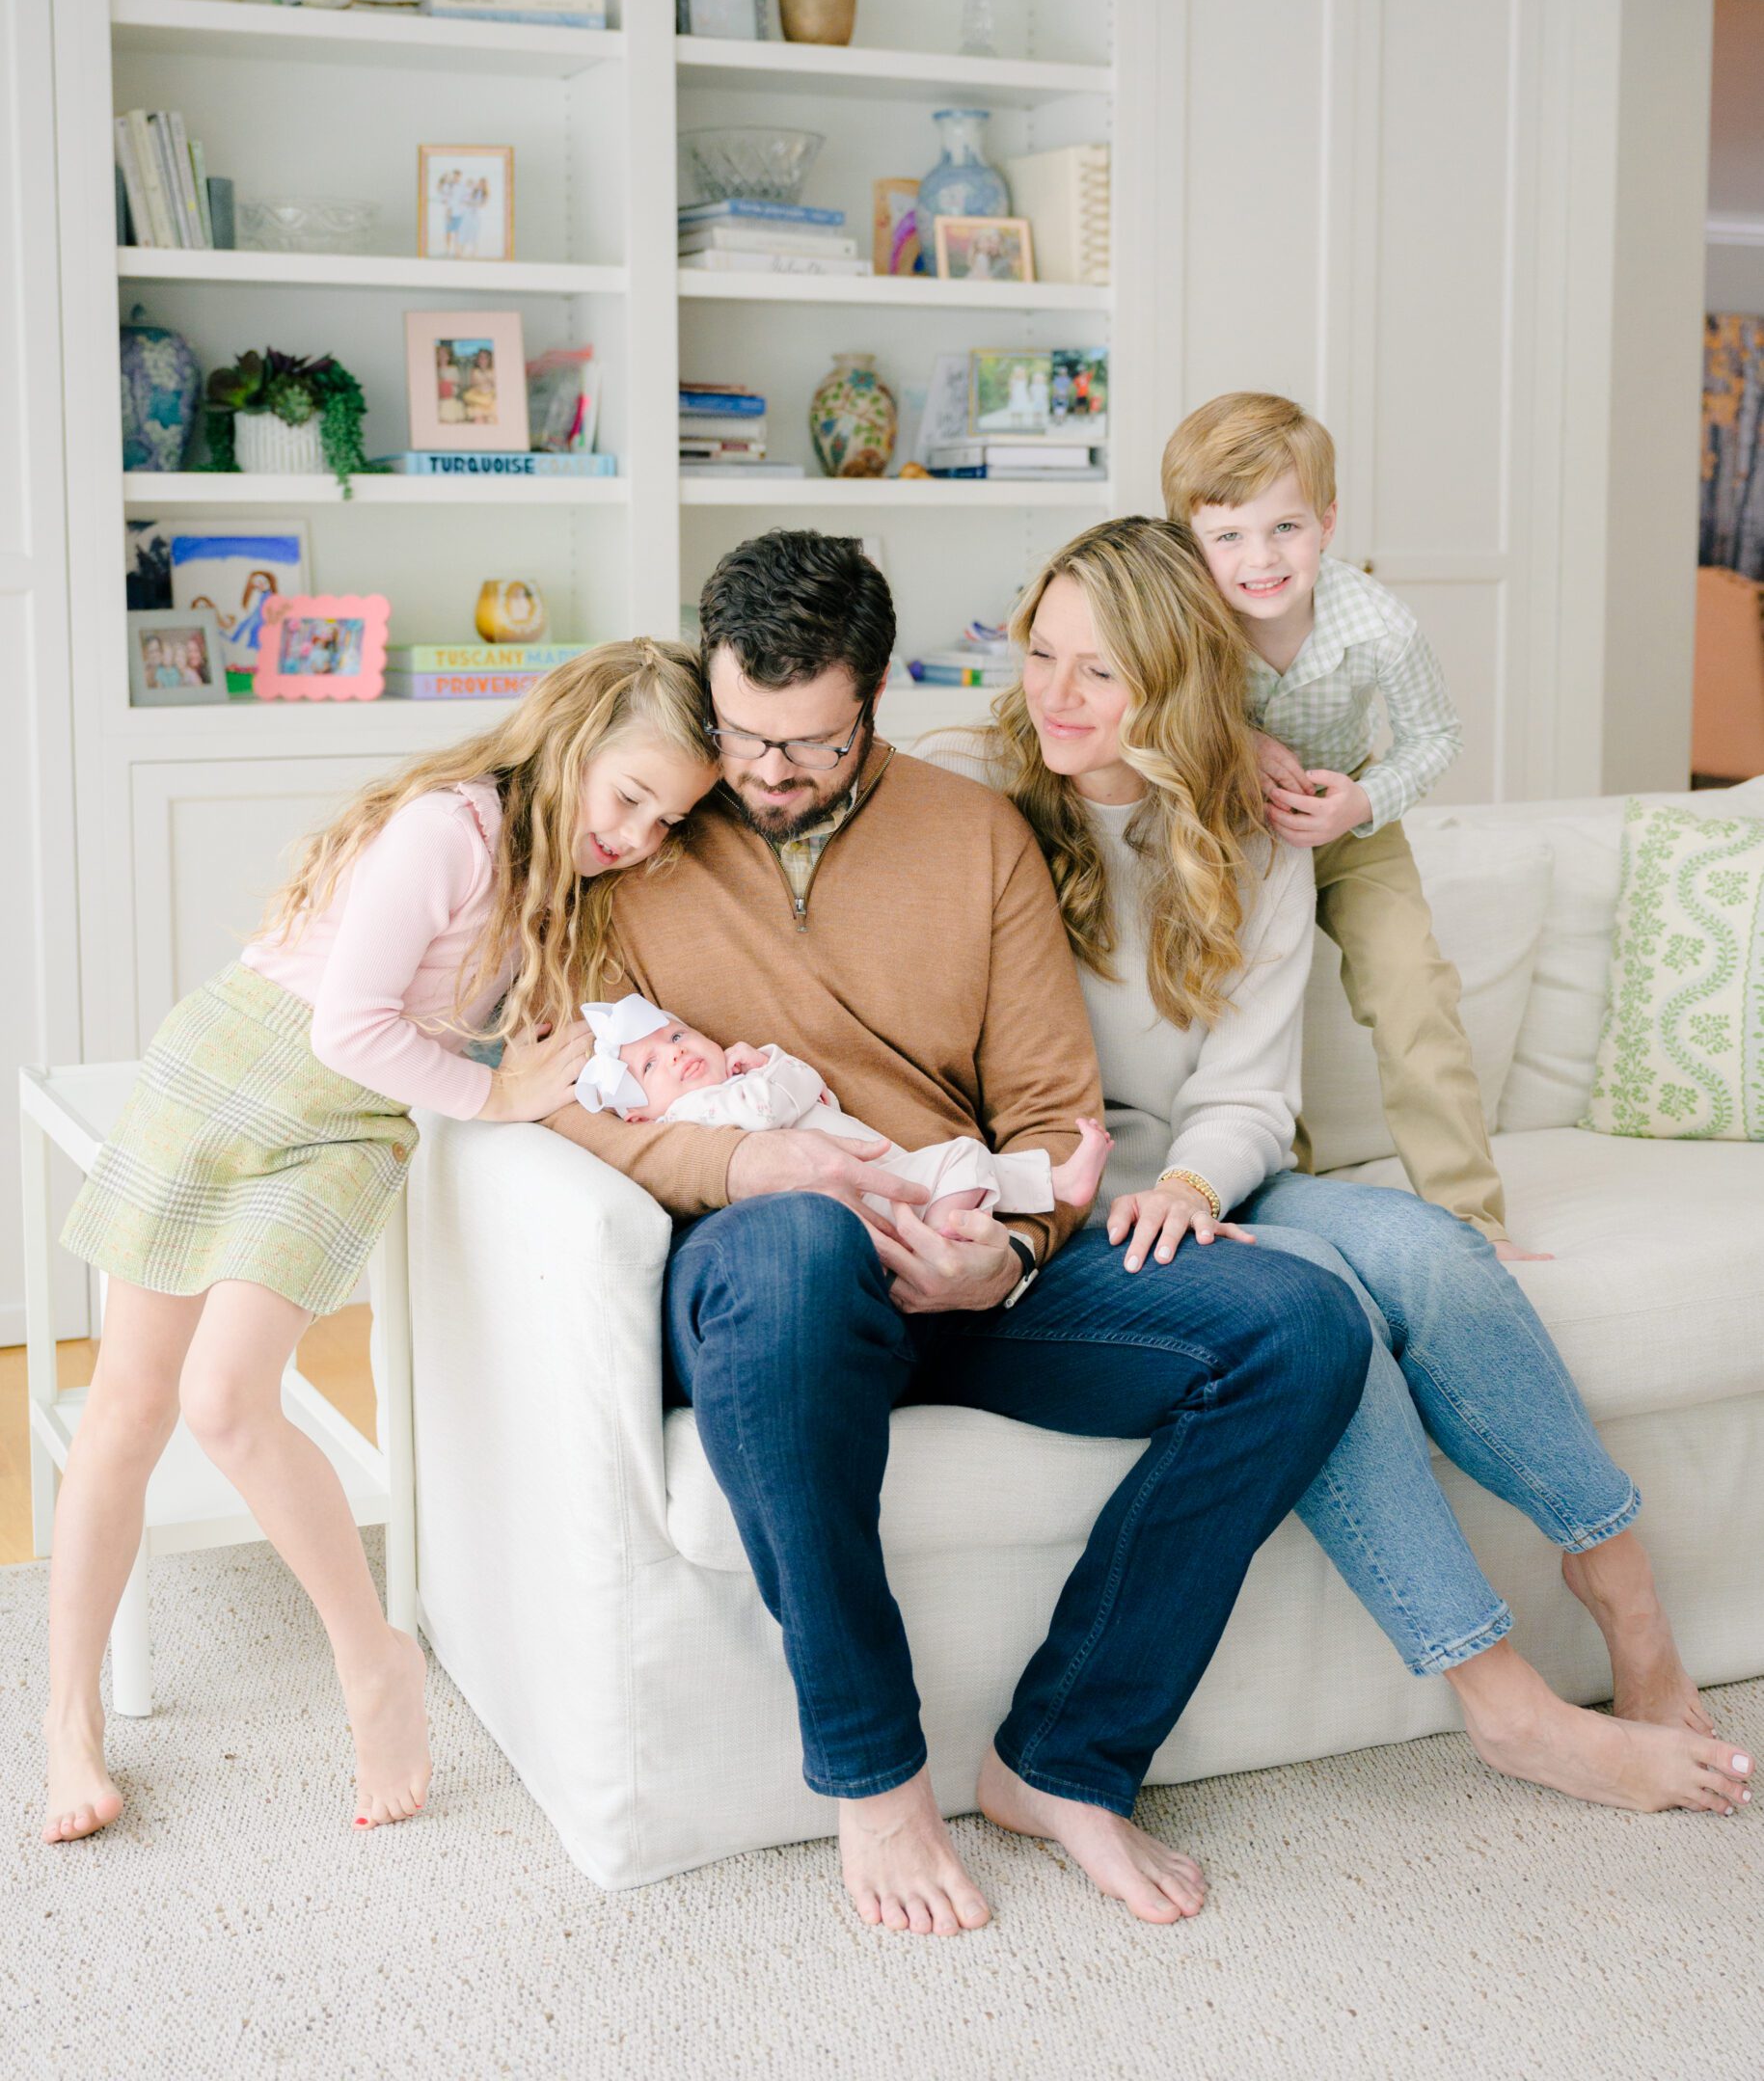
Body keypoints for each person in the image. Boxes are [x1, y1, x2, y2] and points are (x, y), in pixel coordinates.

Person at [546, 527, 1371, 1933]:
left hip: (961, 1261)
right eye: (743, 732)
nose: (765, 772)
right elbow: (554, 1090)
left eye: (808, 742)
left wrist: (1011, 1249)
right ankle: (875, 1776)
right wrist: (743, 1156)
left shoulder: (972, 831)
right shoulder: (630, 834)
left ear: (870, 700)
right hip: (774, 1286)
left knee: (1299, 1328)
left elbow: (1054, 1116)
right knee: (802, 1236)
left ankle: (1061, 1759)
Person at [926, 517, 1751, 1823]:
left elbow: (1251, 1090)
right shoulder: (971, 809)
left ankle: (1626, 1601)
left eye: (1102, 669)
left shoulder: (1254, 824)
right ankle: (1507, 1705)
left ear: (1177, 679)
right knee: (1318, 1299)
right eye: (1043, 654)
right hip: (1060, 1213)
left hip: (1205, 1180)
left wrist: (1193, 1188)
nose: (1056, 695)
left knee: (1428, 1247)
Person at [41, 640, 719, 1848]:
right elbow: (352, 1023)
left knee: (226, 1402)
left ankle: (374, 1661)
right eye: (630, 798)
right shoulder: (451, 830)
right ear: (572, 733)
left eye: (666, 818)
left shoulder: (564, 884)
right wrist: (497, 1094)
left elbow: (450, 1044)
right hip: (225, 1070)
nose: (639, 834)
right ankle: (68, 1721)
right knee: (127, 1405)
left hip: (340, 1129)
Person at [1161, 391, 1539, 1265]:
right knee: (1232, 1008)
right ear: (1190, 539)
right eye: (1228, 536)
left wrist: (1361, 804)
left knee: (1413, 989)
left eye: (1284, 528)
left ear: (1326, 523)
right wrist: (1239, 738)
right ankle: (1264, 1191)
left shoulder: (1380, 626)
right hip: (1227, 830)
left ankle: (1472, 1218)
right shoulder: (1180, 617)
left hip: (1349, 820)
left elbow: (1435, 734)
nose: (1260, 559)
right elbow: (1145, 707)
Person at [573, 991, 1114, 1231]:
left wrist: (766, 1062)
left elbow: (807, 1086)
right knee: (960, 1162)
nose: (674, 1052)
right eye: (649, 1066)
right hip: (864, 1199)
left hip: (885, 1174)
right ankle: (944, 1237)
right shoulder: (694, 1117)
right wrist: (772, 1065)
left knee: (964, 1157)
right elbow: (772, 1105)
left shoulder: (734, 1085)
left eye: (676, 1034)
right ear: (639, 1118)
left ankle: (1059, 1183)